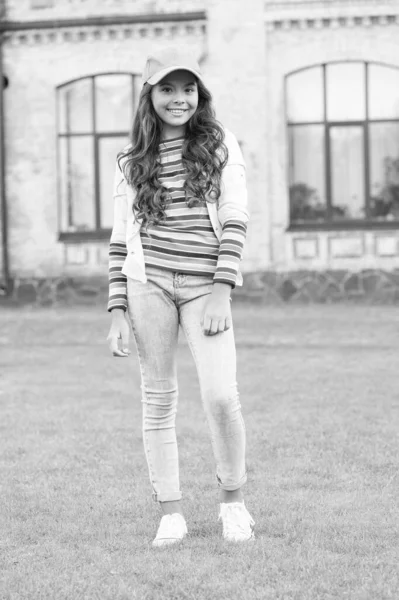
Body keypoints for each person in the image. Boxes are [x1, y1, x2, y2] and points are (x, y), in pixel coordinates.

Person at [106, 46, 254, 547]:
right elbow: (120, 238)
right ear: (149, 97)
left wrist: (220, 290)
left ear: (199, 93)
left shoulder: (219, 144)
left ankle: (234, 502)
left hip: (204, 288)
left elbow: (235, 216)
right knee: (158, 399)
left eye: (187, 88)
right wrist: (118, 308)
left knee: (220, 395)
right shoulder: (131, 161)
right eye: (167, 89)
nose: (179, 99)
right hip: (149, 286)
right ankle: (171, 512)